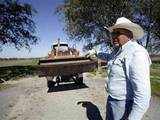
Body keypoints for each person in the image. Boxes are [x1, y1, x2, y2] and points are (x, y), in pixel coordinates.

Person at [86, 17, 151, 120]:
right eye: (113, 33)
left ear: (129, 34)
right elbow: (108, 57)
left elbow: (143, 95)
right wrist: (95, 53)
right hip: (112, 99)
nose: (113, 36)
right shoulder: (118, 51)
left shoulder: (137, 53)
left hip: (124, 104)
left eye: (118, 33)